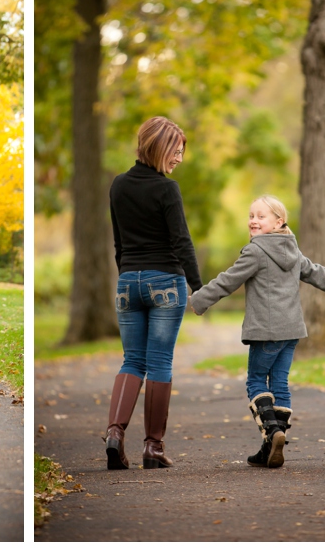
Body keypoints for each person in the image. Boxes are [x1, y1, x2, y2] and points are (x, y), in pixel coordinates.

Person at [190, 196, 325, 468]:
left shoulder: (255, 251)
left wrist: (199, 300)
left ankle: (272, 432)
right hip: (292, 331)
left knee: (256, 382)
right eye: (251, 215)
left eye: (261, 216)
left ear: (278, 221)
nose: (253, 220)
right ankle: (269, 446)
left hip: (266, 332)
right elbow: (319, 274)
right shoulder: (292, 250)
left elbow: (228, 280)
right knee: (280, 385)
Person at [105, 117, 202, 471]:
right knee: (159, 362)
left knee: (132, 360)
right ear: (159, 148)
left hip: (128, 281)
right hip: (165, 282)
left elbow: (118, 242)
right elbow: (181, 241)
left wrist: (127, 275)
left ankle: (114, 433)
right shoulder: (167, 189)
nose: (178, 159)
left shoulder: (117, 185)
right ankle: (153, 447)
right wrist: (199, 287)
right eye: (175, 152)